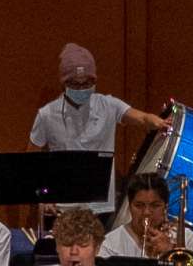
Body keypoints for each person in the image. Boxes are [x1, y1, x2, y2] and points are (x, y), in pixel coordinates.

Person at [25, 42, 162, 171]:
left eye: (87, 84)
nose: (81, 89)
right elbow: (30, 159)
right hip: (64, 192)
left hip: (102, 192)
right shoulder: (46, 115)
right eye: (75, 84)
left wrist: (157, 122)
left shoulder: (109, 105)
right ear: (63, 84)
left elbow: (143, 118)